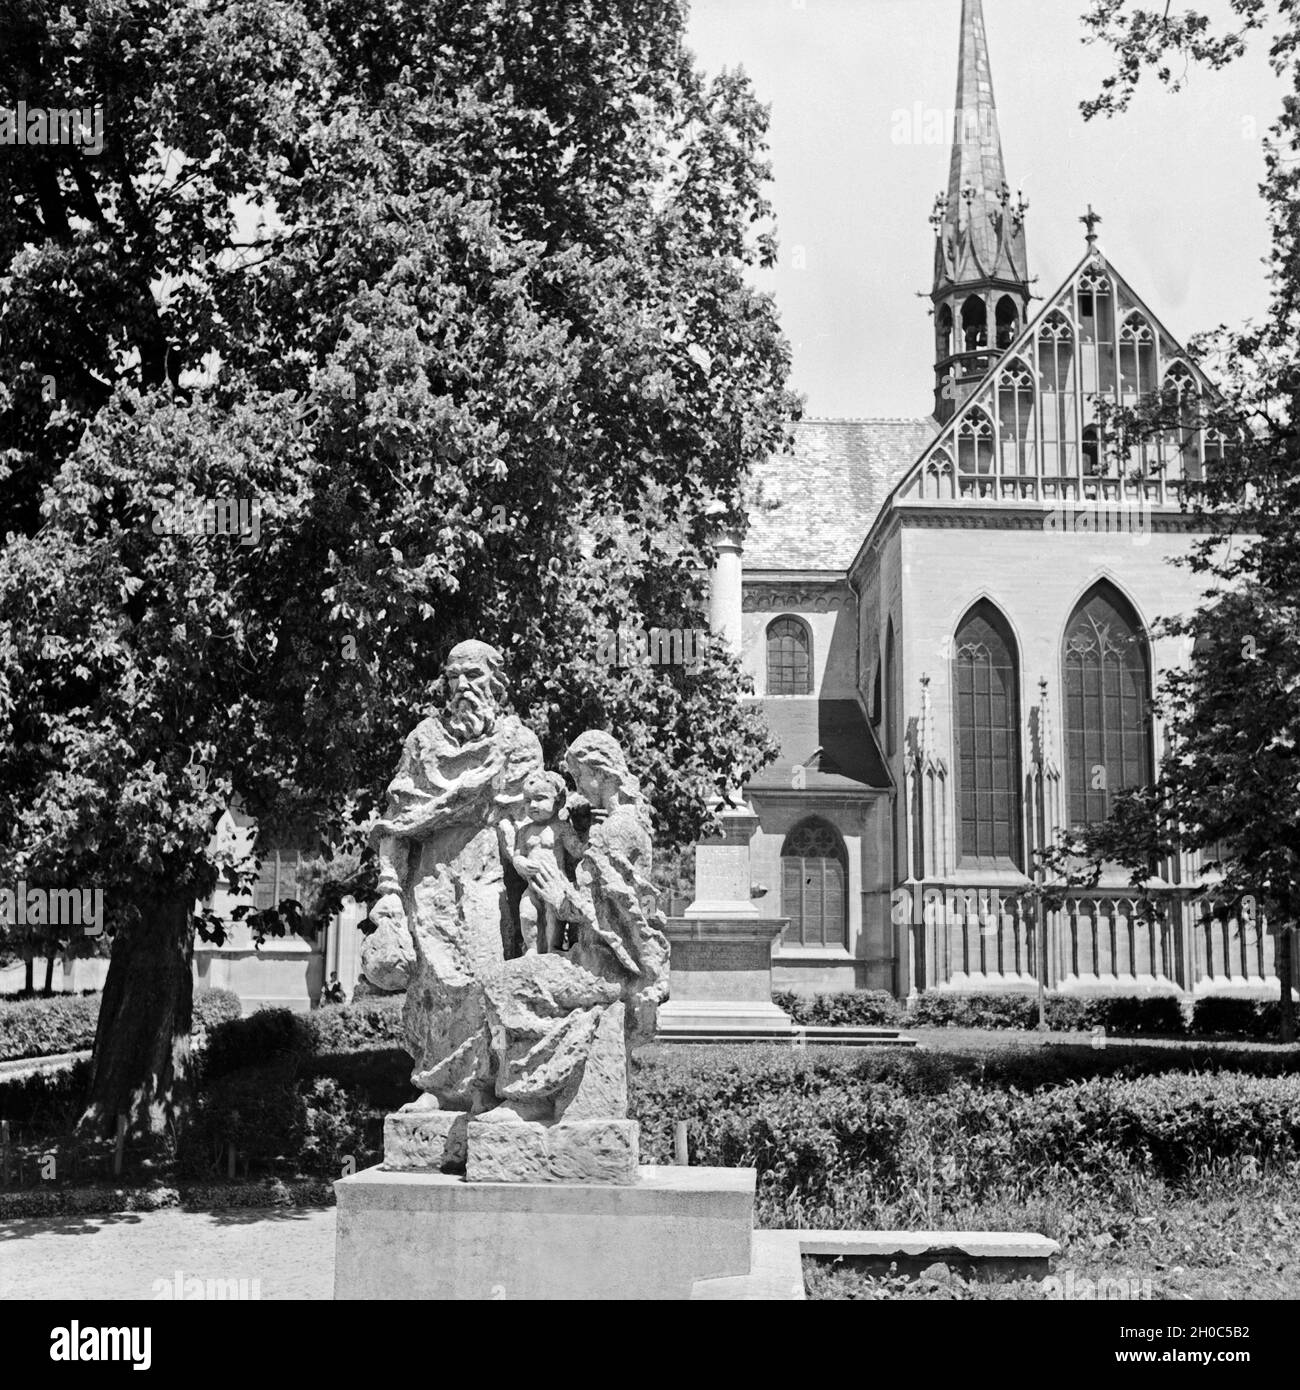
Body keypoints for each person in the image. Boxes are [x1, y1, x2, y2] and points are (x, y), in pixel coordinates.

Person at [362, 639, 543, 1112]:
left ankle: (486, 1086)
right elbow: (396, 820)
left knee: (483, 978)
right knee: (433, 986)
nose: (463, 686)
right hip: (430, 880)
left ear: (495, 682)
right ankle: (437, 1089)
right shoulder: (424, 740)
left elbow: (534, 823)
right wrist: (388, 890)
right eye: (454, 677)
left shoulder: (516, 743)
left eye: (475, 676)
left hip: (489, 878)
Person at [498, 770, 579, 954]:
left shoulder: (562, 828)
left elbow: (576, 851)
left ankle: (552, 950)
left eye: (540, 798)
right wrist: (520, 863)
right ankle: (532, 949)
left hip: (555, 884)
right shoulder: (524, 831)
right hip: (533, 885)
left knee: (553, 918)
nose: (533, 805)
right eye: (527, 801)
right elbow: (517, 855)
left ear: (559, 801)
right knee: (527, 914)